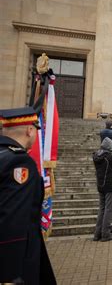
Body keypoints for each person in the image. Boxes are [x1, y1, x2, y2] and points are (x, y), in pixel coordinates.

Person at [0, 107, 56, 284]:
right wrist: (10, 274)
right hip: (16, 261)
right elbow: (13, 218)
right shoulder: (19, 162)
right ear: (29, 130)